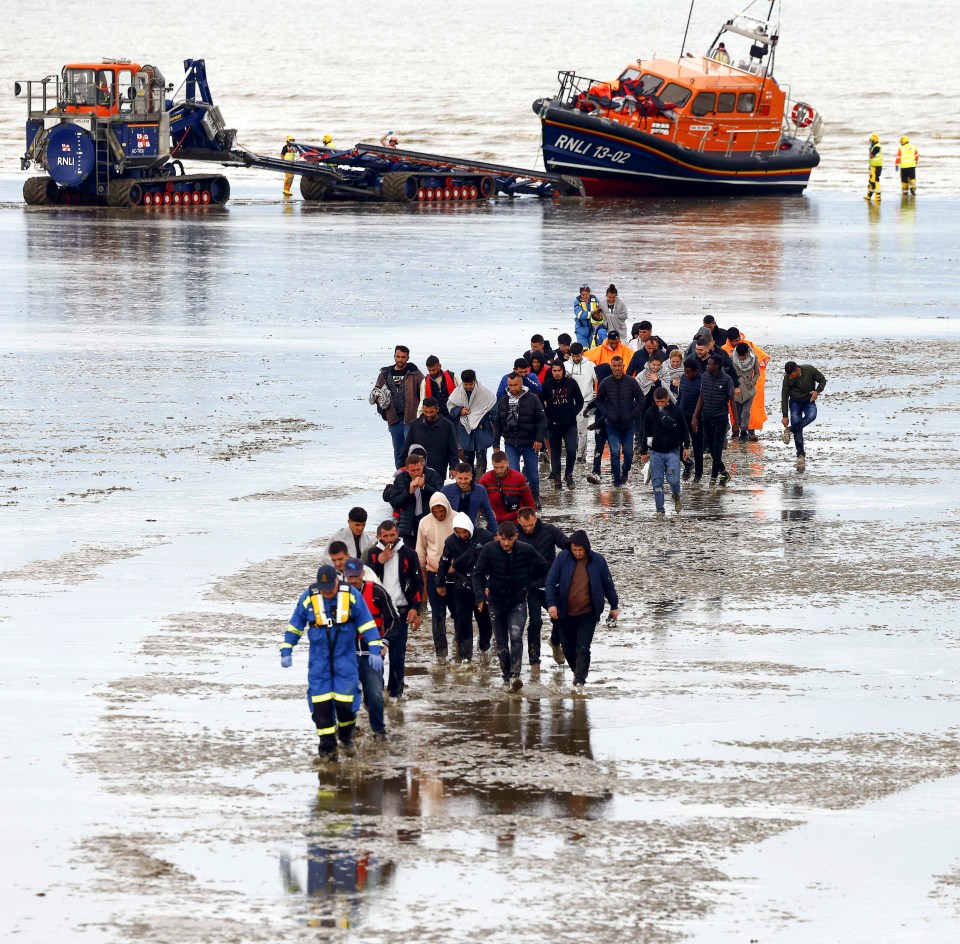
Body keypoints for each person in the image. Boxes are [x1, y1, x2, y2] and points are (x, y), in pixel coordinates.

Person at [281, 565, 382, 761]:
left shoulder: (350, 595)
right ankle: (327, 750)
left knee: (346, 706)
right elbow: (295, 625)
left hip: (345, 661)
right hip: (319, 663)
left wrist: (375, 650)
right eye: (324, 588)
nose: (327, 592)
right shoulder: (309, 597)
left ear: (337, 581)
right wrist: (287, 650)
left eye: (330, 587)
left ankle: (346, 737)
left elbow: (367, 623)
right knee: (321, 707)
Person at [472, 521, 547, 691]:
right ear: (498, 536)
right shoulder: (489, 550)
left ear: (516, 537)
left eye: (510, 539)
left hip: (517, 602)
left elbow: (543, 567)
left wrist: (528, 584)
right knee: (501, 644)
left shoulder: (526, 550)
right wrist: (480, 596)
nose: (506, 543)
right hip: (496, 602)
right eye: (503, 539)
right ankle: (505, 677)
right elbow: (478, 574)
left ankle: (515, 676)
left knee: (516, 637)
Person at [545, 531, 618, 694]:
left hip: (588, 613)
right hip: (564, 613)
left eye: (580, 550)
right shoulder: (563, 558)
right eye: (574, 550)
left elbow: (608, 584)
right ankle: (577, 673)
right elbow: (550, 582)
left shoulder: (598, 561)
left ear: (586, 548)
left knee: (583, 648)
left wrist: (614, 605)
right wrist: (551, 605)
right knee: (568, 649)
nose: (577, 553)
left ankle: (579, 682)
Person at [364, 520, 423, 701]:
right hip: (378, 612)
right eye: (385, 536)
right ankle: (377, 692)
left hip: (401, 611)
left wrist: (415, 608)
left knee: (398, 656)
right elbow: (365, 580)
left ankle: (396, 694)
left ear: (397, 533)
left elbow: (418, 582)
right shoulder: (372, 554)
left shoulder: (409, 553)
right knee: (376, 655)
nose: (389, 539)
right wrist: (379, 562)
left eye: (392, 535)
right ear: (379, 536)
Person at [342, 558, 397, 741]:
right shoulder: (339, 597)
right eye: (349, 577)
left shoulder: (377, 592)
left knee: (375, 696)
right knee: (346, 697)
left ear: (363, 573)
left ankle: (379, 732)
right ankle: (348, 733)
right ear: (344, 576)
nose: (353, 581)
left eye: (356, 576)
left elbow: (393, 620)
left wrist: (385, 643)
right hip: (348, 656)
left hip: (371, 655)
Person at [436, 512, 494, 666]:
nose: (462, 535)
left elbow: (493, 563)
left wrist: (489, 585)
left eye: (464, 531)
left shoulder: (485, 537)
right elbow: (444, 563)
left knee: (485, 622)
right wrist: (440, 583)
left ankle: (484, 646)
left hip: (481, 587)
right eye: (458, 532)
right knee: (463, 622)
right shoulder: (451, 541)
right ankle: (465, 656)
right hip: (461, 586)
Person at [517, 507, 568, 668]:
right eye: (525, 526)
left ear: (536, 518)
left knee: (561, 618)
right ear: (519, 522)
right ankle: (534, 660)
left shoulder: (549, 530)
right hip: (530, 586)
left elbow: (568, 547)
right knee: (535, 622)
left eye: (531, 525)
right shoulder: (515, 534)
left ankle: (555, 641)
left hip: (550, 584)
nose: (528, 528)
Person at [495, 372, 547, 505]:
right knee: (513, 474)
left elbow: (541, 420)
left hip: (530, 443)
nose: (513, 388)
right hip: (511, 443)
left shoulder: (532, 399)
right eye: (510, 385)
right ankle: (516, 500)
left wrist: (539, 439)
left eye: (516, 385)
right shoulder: (503, 400)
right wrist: (495, 444)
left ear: (521, 383)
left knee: (533, 475)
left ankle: (535, 498)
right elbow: (498, 423)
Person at [416, 492, 455, 663]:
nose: (439, 515)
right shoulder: (424, 522)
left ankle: (461, 647)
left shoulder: (458, 518)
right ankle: (441, 653)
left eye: (442, 511)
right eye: (435, 511)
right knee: (437, 615)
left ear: (447, 507)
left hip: (456, 574)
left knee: (459, 613)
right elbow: (421, 548)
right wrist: (422, 569)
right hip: (434, 573)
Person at [370, 346, 424, 468]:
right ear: (394, 356)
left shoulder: (414, 372)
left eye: (403, 357)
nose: (400, 359)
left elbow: (425, 390)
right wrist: (379, 401)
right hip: (393, 418)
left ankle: (415, 475)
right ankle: (400, 477)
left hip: (411, 418)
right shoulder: (385, 374)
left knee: (411, 449)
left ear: (408, 358)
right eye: (398, 356)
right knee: (398, 450)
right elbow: (376, 391)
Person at [640, 388, 691, 515]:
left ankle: (677, 495)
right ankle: (660, 511)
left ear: (668, 398)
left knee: (673, 480)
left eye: (662, 401)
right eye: (657, 402)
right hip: (655, 452)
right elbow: (646, 432)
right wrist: (644, 451)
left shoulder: (676, 410)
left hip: (672, 451)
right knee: (657, 483)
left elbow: (684, 429)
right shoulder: (649, 413)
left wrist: (686, 446)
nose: (660, 404)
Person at [595, 356, 643, 487]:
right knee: (614, 453)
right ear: (611, 367)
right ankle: (617, 482)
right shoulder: (605, 382)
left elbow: (641, 400)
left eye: (619, 366)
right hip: (612, 425)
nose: (617, 369)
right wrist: (606, 413)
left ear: (623, 366)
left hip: (628, 425)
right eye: (614, 366)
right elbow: (598, 400)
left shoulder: (631, 382)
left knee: (628, 453)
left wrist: (633, 414)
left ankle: (625, 470)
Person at [692, 355, 738, 487]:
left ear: (717, 366)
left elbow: (732, 402)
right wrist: (695, 416)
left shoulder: (727, 380)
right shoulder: (705, 377)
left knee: (717, 448)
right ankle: (724, 472)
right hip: (706, 417)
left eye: (710, 364)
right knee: (711, 448)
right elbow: (701, 397)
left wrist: (736, 423)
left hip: (721, 418)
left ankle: (713, 479)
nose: (707, 366)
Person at [540, 359, 584, 489]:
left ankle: (568, 474)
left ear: (563, 371)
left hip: (569, 424)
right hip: (553, 425)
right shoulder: (546, 386)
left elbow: (580, 401)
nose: (557, 373)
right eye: (554, 371)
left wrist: (573, 413)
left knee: (571, 451)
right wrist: (547, 414)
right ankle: (557, 479)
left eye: (559, 370)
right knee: (555, 453)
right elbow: (540, 403)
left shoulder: (571, 383)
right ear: (551, 371)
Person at [722, 327, 770, 439]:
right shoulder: (725, 350)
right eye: (732, 341)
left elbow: (760, 364)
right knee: (735, 410)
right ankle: (737, 430)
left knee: (750, 410)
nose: (734, 343)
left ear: (739, 337)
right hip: (735, 387)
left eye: (736, 340)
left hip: (749, 386)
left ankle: (750, 431)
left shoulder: (750, 346)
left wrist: (753, 382)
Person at [447, 370, 497, 475]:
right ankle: (469, 483)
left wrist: (494, 423)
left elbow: (493, 405)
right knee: (467, 461)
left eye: (471, 384)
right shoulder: (457, 392)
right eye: (466, 384)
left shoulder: (484, 392)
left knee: (482, 461)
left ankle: (481, 483)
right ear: (462, 383)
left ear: (475, 380)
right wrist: (460, 410)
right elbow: (450, 406)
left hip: (482, 430)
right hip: (466, 431)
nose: (469, 386)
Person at [388, 452, 443, 543]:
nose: (417, 473)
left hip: (429, 520)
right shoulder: (401, 479)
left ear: (423, 466)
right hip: (408, 524)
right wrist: (409, 492)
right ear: (406, 469)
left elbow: (441, 497)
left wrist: (424, 487)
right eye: (413, 471)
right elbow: (394, 502)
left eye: (419, 469)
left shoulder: (432, 475)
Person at [781, 361, 826, 471]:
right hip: (794, 403)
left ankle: (790, 429)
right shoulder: (787, 378)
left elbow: (822, 380)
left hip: (808, 401)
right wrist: (785, 415)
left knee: (812, 416)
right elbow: (784, 395)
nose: (790, 377)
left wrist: (817, 391)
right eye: (788, 376)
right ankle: (800, 455)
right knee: (799, 429)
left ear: (797, 370)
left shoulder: (809, 370)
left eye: (791, 375)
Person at [400, 396, 459, 478]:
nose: (428, 415)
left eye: (431, 412)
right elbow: (406, 447)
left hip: (439, 469)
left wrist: (453, 467)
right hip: (418, 469)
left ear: (437, 409)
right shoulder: (415, 425)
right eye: (426, 412)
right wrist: (401, 466)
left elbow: (453, 449)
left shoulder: (447, 425)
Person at [479, 449, 536, 523]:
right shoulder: (485, 479)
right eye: (496, 467)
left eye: (502, 467)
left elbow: (529, 502)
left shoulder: (519, 478)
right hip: (494, 521)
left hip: (516, 521)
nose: (499, 471)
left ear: (508, 463)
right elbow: (478, 501)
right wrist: (485, 513)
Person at [442, 461, 498, 530]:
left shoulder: (480, 490)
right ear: (455, 476)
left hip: (474, 530)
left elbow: (488, 513)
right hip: (451, 530)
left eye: (466, 478)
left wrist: (496, 532)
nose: (463, 482)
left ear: (471, 476)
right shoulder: (446, 491)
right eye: (460, 478)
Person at [567, 343, 596, 465]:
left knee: (582, 430)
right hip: (569, 403)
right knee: (571, 430)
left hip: (585, 402)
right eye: (573, 356)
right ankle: (574, 454)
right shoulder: (565, 366)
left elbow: (598, 379)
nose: (575, 359)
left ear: (582, 354)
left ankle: (581, 456)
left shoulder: (590, 365)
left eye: (577, 356)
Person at [678, 358, 704, 482]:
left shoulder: (702, 380)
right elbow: (680, 397)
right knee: (677, 443)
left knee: (697, 446)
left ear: (695, 371)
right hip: (682, 416)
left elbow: (703, 401)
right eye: (685, 372)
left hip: (696, 418)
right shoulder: (683, 378)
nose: (687, 374)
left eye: (689, 372)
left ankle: (698, 474)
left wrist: (697, 417)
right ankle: (688, 464)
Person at [730, 342, 761, 442]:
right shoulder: (731, 357)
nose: (741, 358)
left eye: (743, 356)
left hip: (749, 389)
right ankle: (739, 430)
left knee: (746, 412)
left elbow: (757, 373)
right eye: (740, 356)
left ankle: (744, 432)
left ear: (747, 353)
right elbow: (728, 372)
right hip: (737, 389)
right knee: (738, 413)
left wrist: (752, 382)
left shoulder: (754, 357)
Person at [866, 133, 882, 202]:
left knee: (875, 181)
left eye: (871, 141)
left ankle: (878, 196)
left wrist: (869, 150)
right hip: (873, 166)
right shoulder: (874, 146)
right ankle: (869, 195)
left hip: (876, 166)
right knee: (871, 181)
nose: (871, 142)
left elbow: (871, 156)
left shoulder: (877, 147)